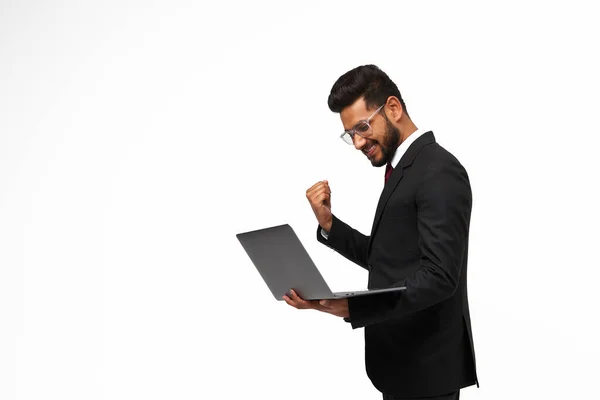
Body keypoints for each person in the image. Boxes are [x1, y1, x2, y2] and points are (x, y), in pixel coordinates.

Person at [283, 65, 479, 400]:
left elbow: (439, 277)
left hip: (426, 374)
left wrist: (352, 307)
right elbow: (388, 258)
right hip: (401, 368)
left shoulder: (438, 170)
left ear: (392, 108)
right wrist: (330, 225)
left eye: (362, 127)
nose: (358, 142)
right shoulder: (404, 169)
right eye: (351, 134)